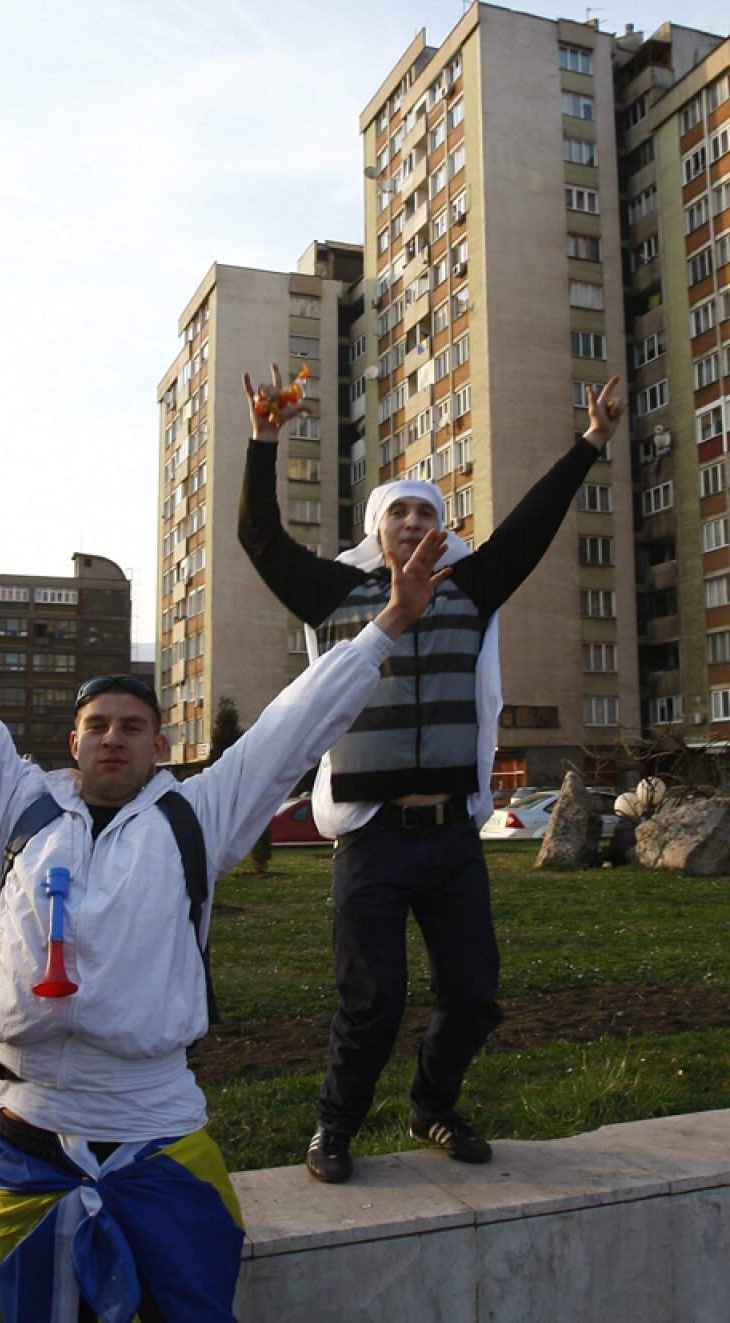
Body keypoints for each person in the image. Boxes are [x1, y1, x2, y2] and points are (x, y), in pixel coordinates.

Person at [0, 442, 448, 1323]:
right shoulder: (14, 809)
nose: (114, 738)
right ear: (73, 742)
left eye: (133, 726)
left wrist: (388, 627)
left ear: (157, 744)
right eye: (97, 724)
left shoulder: (198, 815)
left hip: (159, 1135)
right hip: (30, 1139)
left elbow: (297, 724)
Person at [238, 367, 626, 1183]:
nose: (414, 522)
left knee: (477, 997)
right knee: (372, 1002)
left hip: (452, 837)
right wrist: (265, 440)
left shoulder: (474, 590)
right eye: (400, 511)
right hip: (372, 842)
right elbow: (261, 539)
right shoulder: (334, 596)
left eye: (428, 513)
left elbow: (532, 525)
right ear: (378, 528)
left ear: (444, 531)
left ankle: (431, 1105)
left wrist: (589, 443)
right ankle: (334, 1128)